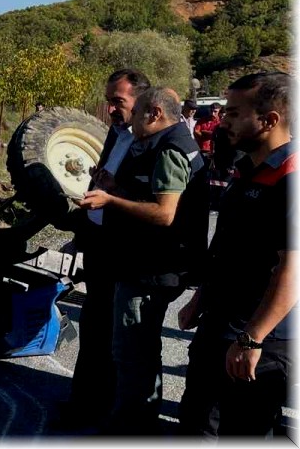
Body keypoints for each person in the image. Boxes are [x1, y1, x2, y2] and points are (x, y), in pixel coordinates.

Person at [80, 86, 209, 435]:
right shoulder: (169, 142)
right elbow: (153, 196)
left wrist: (110, 200)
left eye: (136, 113)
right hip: (151, 265)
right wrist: (117, 189)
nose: (131, 120)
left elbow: (165, 214)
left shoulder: (169, 149)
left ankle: (130, 427)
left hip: (151, 269)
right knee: (141, 349)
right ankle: (136, 422)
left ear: (154, 114)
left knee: (133, 351)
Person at [177, 72, 295, 438]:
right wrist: (200, 298)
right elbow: (227, 246)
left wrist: (252, 338)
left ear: (269, 120)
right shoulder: (246, 169)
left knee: (244, 431)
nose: (222, 121)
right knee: (196, 422)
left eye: (233, 113)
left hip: (262, 339)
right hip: (219, 323)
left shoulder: (291, 177)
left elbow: (292, 269)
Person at [56, 68, 151, 432]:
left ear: (140, 101)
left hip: (122, 252)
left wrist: (114, 193)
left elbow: (152, 204)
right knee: (94, 328)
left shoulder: (150, 143)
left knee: (115, 337)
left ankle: (106, 409)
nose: (111, 109)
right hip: (98, 244)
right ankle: (83, 402)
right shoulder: (116, 133)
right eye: (109, 101)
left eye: (118, 101)